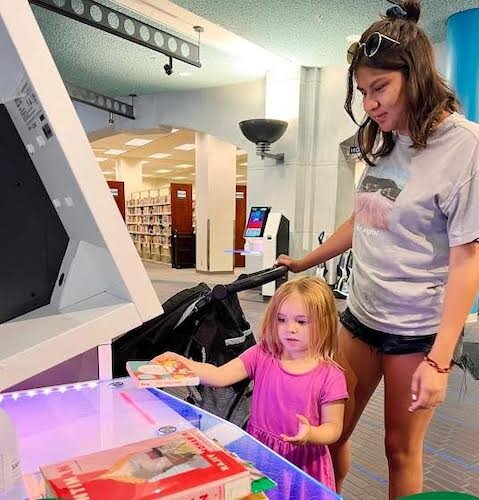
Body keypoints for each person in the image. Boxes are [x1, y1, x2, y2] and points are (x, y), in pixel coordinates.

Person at [277, 1, 479, 498]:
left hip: (416, 332)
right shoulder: (383, 138)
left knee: (399, 450)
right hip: (361, 318)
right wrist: (307, 261)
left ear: (415, 76)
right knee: (328, 433)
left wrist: (439, 360)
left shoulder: (464, 146)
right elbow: (367, 216)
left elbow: (467, 259)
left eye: (380, 88)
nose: (369, 103)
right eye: (363, 91)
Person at [154, 277, 348, 492]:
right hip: (259, 451)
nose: (289, 328)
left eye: (301, 321)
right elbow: (219, 376)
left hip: (301, 463)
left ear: (324, 323)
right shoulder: (263, 354)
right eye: (281, 319)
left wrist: (311, 434)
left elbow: (333, 428)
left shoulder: (331, 376)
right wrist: (181, 361)